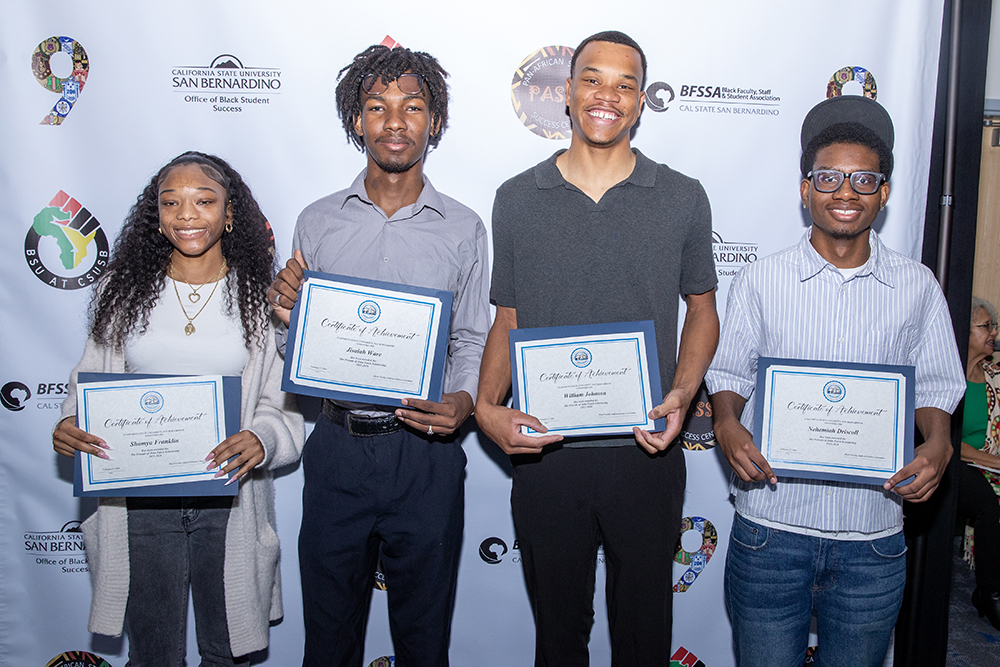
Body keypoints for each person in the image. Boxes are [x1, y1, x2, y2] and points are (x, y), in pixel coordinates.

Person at [475, 30, 719, 666]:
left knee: (643, 638)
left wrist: (682, 395)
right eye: (592, 78)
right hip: (547, 454)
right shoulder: (517, 198)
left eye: (625, 84)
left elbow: (702, 310)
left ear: (641, 102)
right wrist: (484, 404)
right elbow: (508, 319)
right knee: (558, 639)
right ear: (568, 90)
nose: (606, 95)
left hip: (645, 452)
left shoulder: (683, 196)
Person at [705, 95, 966, 666]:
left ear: (884, 193)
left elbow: (939, 385)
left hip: (872, 535)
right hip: (771, 530)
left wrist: (941, 442)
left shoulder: (917, 285)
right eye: (827, 177)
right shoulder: (759, 279)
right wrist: (725, 422)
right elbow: (726, 372)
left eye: (863, 179)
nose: (844, 191)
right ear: (805, 190)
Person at [266, 44, 489, 667]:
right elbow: (298, 349)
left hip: (426, 455)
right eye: (377, 106)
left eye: (412, 106)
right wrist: (288, 321)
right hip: (336, 451)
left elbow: (471, 337)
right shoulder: (317, 222)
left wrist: (464, 401)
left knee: (424, 642)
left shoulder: (465, 227)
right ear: (356, 121)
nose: (396, 121)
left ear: (434, 122)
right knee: (328, 642)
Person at [52, 152, 304, 666]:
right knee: (153, 656)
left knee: (225, 653)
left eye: (203, 201)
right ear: (157, 215)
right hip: (140, 504)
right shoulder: (122, 295)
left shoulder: (260, 300)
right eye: (171, 203)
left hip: (229, 502)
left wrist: (262, 438)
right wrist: (70, 421)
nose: (186, 214)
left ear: (230, 213)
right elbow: (87, 380)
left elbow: (279, 406)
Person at [958, 296, 1000, 629]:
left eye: (992, 325)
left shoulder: (994, 378)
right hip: (952, 464)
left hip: (988, 462)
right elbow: (944, 443)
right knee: (989, 501)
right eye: (985, 326)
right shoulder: (946, 375)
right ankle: (991, 592)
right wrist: (994, 462)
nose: (993, 332)